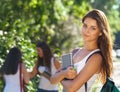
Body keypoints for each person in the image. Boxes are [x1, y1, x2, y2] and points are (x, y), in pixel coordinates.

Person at [50, 9, 113, 92]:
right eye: (85, 25)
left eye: (93, 28)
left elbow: (71, 88)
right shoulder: (75, 52)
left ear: (100, 32)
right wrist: (63, 74)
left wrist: (61, 76)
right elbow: (52, 80)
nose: (87, 31)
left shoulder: (96, 57)